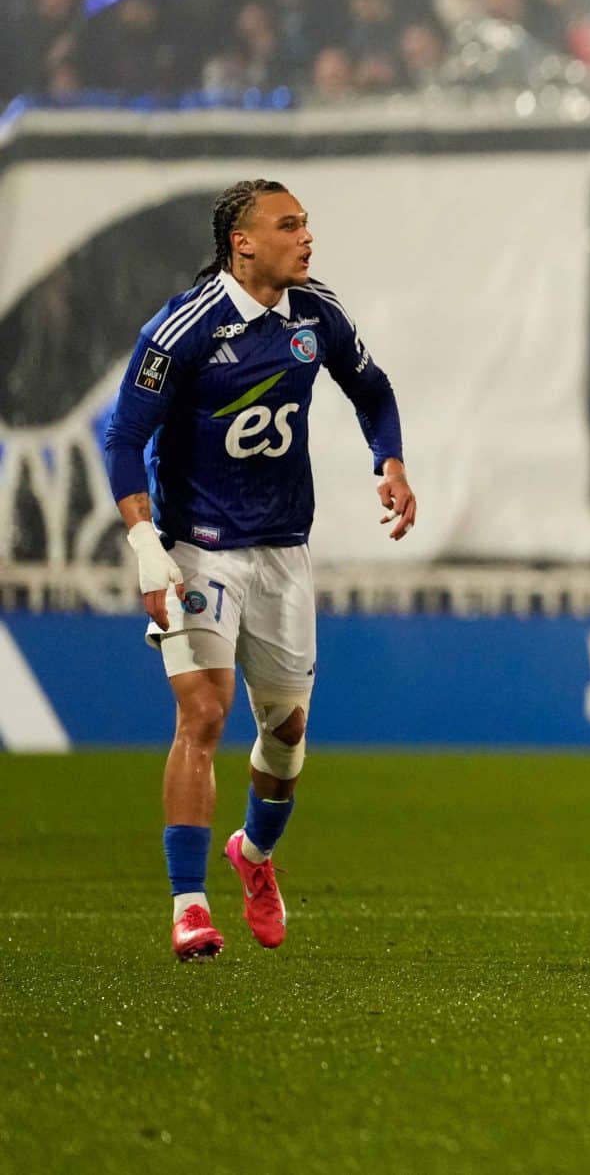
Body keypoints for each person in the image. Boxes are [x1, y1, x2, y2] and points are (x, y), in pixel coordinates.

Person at [103, 180, 414, 961]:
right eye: (288, 225)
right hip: (195, 545)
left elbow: (372, 390)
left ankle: (254, 856)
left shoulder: (317, 315)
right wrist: (146, 547)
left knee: (287, 737)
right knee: (203, 713)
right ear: (243, 243)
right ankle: (189, 905)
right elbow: (123, 440)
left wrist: (392, 462)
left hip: (281, 549)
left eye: (305, 223)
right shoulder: (184, 329)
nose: (306, 237)